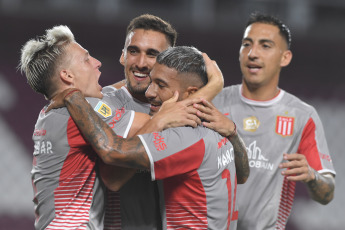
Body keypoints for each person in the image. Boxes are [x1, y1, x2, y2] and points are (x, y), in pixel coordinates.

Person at [19, 25, 203, 230]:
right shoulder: (84, 108)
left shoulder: (48, 115)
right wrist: (210, 86)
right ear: (67, 76)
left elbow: (112, 93)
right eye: (87, 59)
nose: (97, 63)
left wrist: (138, 75)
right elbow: (154, 123)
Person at [50, 46, 250, 229]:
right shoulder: (219, 123)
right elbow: (242, 176)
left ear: (192, 93)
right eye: (151, 81)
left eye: (161, 85)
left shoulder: (183, 137)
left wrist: (73, 97)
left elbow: (113, 160)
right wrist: (232, 131)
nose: (150, 92)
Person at [212, 12, 336, 229]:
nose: (253, 53)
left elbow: (327, 193)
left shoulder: (301, 115)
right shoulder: (214, 103)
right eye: (247, 44)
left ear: (284, 57)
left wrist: (311, 176)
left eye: (265, 46)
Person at [101, 14, 224, 230]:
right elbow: (113, 177)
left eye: (152, 54)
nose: (140, 63)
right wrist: (214, 85)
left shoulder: (179, 101)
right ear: (122, 56)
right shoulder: (105, 103)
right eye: (133, 51)